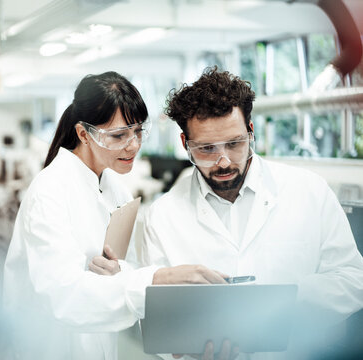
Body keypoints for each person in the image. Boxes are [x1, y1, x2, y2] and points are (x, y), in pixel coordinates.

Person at [2, 71, 229, 360]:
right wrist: (158, 279)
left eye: (137, 131)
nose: (133, 145)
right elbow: (63, 296)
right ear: (84, 134)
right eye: (119, 135)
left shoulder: (115, 190)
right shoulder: (50, 192)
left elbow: (119, 273)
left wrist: (124, 274)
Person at [142, 67, 363, 359]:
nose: (223, 162)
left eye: (234, 144)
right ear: (185, 145)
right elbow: (156, 311)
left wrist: (281, 303)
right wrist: (185, 352)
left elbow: (352, 278)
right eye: (206, 148)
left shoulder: (309, 191)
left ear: (251, 131)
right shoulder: (162, 216)